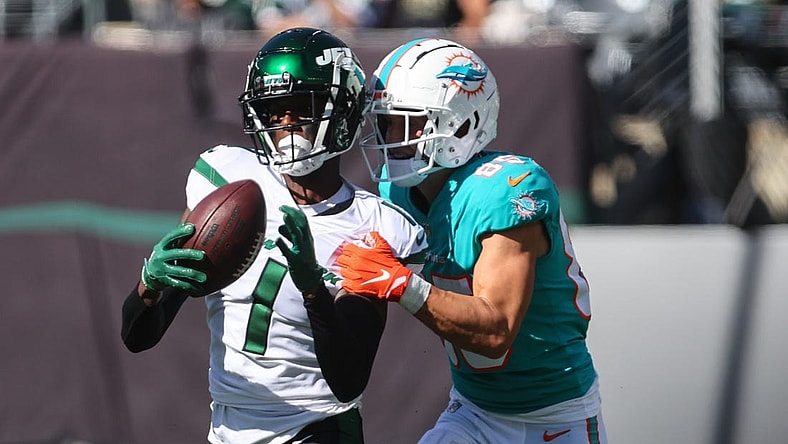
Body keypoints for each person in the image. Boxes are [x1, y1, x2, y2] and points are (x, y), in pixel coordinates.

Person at [120, 27, 427, 444]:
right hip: (226, 429)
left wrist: (312, 286)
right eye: (273, 110)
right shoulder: (226, 177)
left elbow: (348, 381)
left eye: (301, 106)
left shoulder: (372, 224)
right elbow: (139, 337)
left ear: (343, 110)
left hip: (317, 430)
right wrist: (149, 285)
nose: (285, 123)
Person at [336, 38, 607, 444]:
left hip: (553, 418)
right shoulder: (399, 192)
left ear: (458, 123)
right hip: (473, 410)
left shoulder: (504, 188)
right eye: (385, 122)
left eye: (404, 122)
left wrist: (401, 285)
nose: (389, 136)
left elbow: (495, 330)